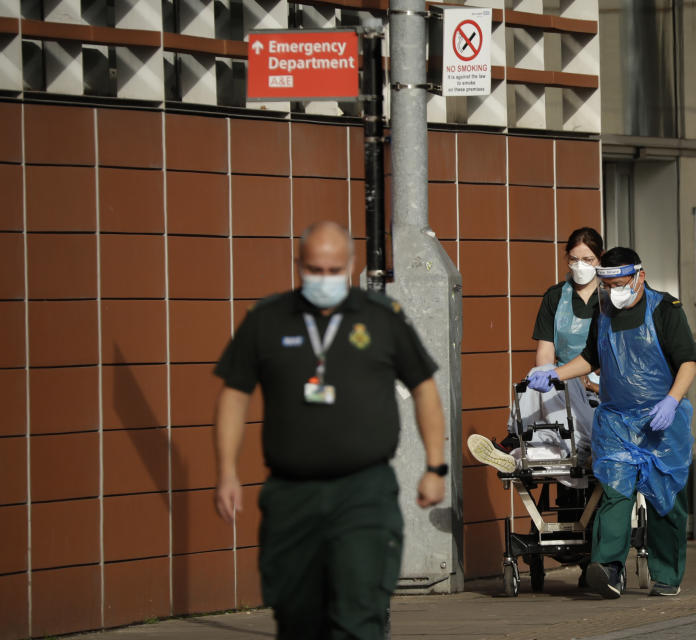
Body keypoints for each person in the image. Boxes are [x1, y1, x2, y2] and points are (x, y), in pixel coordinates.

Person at [213, 221, 447, 640]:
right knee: (298, 619)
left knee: (359, 614)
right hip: (292, 495)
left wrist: (435, 465)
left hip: (363, 491)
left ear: (352, 265)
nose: (325, 279)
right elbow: (234, 394)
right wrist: (227, 471)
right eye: (315, 270)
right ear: (298, 265)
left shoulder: (380, 318)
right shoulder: (268, 319)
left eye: (334, 270)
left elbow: (424, 387)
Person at [528, 247, 696, 599]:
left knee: (665, 500)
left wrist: (671, 401)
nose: (615, 291)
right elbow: (591, 358)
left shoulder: (666, 310)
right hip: (617, 423)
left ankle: (667, 575)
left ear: (641, 276)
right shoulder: (602, 311)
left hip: (660, 424)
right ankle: (608, 569)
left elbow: (687, 362)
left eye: (621, 284)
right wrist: (554, 374)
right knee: (615, 494)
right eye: (608, 286)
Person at [467, 227, 603, 474]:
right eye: (574, 259)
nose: (580, 266)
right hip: (563, 388)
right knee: (541, 372)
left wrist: (585, 380)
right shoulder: (556, 297)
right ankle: (517, 444)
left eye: (588, 260)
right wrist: (553, 375)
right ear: (566, 260)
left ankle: (516, 447)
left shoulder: (610, 297)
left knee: (558, 394)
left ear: (600, 259)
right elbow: (545, 354)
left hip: (597, 392)